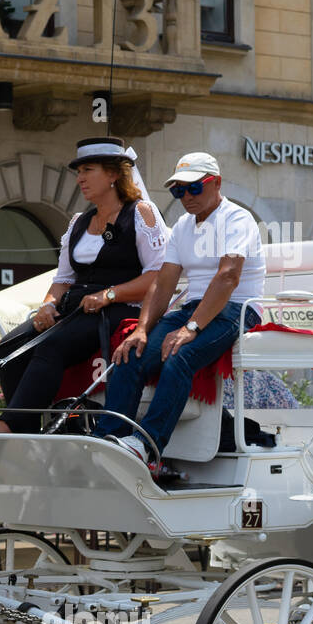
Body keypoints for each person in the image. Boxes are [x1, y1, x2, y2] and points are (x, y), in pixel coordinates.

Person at [96, 151, 265, 465]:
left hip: (236, 308)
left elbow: (228, 277)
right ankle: (110, 438)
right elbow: (163, 282)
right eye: (178, 190)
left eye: (194, 188)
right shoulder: (184, 225)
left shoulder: (236, 218)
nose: (186, 196)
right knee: (129, 351)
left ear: (216, 183)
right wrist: (142, 329)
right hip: (194, 306)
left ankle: (145, 445)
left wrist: (191, 328)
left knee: (179, 355)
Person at [0, 137, 167, 433]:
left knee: (53, 346)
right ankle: (27, 429)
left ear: (113, 174)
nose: (80, 178)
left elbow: (158, 277)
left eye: (88, 170)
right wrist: (47, 305)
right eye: (79, 171)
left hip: (121, 308)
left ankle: (9, 427)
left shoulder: (140, 213)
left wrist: (109, 294)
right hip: (77, 307)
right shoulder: (78, 222)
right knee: (10, 345)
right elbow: (62, 279)